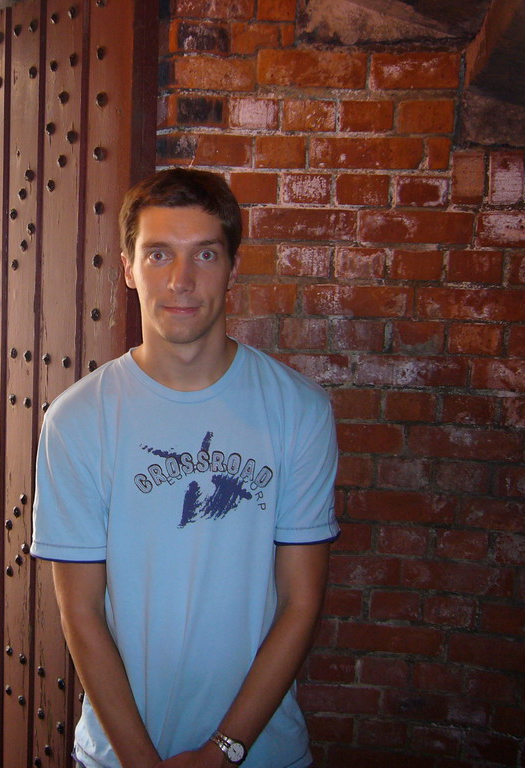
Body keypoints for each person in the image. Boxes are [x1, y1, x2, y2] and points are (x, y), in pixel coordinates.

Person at [30, 168, 339, 768]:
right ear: (127, 268)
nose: (182, 280)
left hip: (261, 754)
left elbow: (301, 601)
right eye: (158, 255)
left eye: (204, 254)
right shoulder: (77, 419)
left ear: (232, 267)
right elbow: (82, 610)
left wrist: (223, 753)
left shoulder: (299, 410)